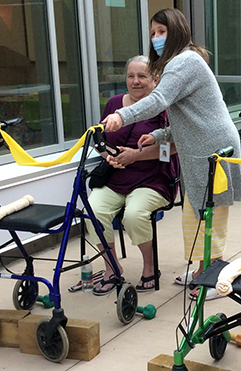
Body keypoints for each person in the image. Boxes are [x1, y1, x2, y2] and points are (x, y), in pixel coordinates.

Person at [102, 8, 241, 300]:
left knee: (210, 214)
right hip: (195, 150)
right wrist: (156, 135)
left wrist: (122, 115)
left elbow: (158, 100)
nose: (156, 38)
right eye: (153, 33)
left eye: (161, 32)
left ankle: (212, 274)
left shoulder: (185, 61)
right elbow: (183, 117)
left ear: (177, 30)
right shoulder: (178, 63)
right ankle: (202, 268)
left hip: (213, 149)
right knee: (193, 215)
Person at [86, 55, 179, 295]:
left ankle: (150, 267)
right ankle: (112, 268)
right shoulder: (114, 103)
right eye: (131, 76)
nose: (135, 81)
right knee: (92, 212)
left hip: (153, 178)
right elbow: (100, 138)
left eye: (142, 76)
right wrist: (108, 155)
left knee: (135, 215)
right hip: (115, 178)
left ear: (155, 80)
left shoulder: (165, 108)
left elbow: (173, 149)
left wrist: (136, 156)